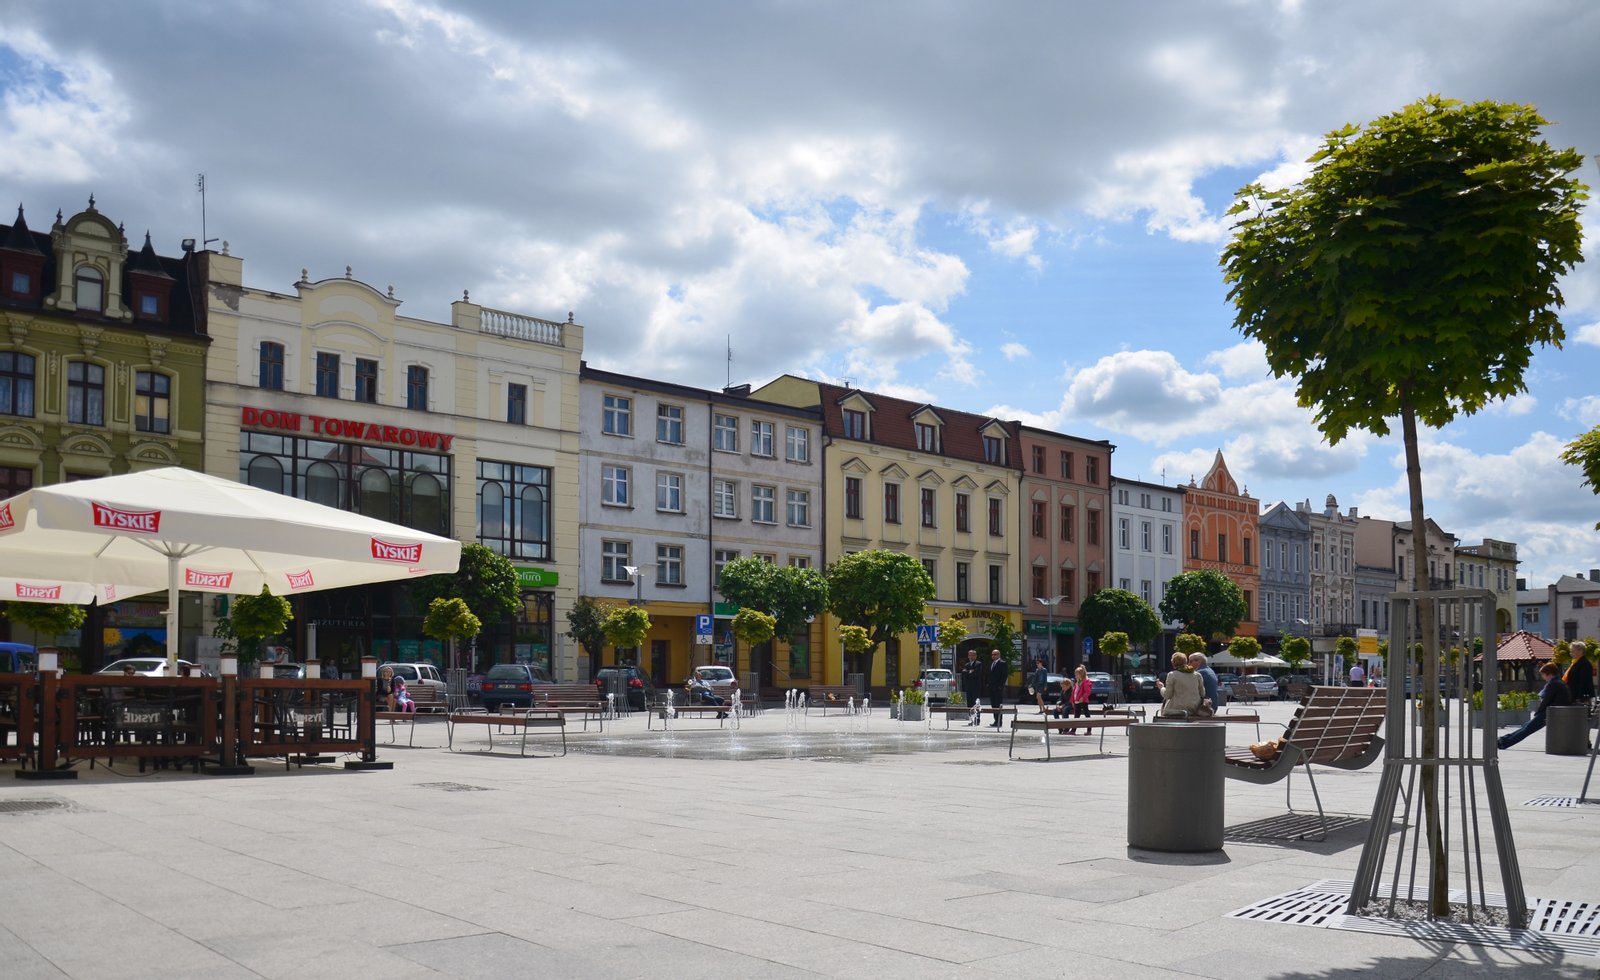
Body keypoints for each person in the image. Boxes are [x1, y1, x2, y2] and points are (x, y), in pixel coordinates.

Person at [1499, 662, 1573, 750]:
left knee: (1527, 729)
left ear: (1549, 674)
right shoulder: (1559, 682)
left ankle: (1505, 742)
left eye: (1543, 674)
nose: (1543, 677)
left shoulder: (1553, 684)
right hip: (1555, 711)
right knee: (1526, 726)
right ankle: (1504, 739)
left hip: (1550, 712)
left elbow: (1546, 701)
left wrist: (1538, 713)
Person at [1156, 651, 1203, 718]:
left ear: (1173, 663)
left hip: (1177, 710)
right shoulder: (1197, 675)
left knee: (1163, 708)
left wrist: (1161, 688)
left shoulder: (1172, 675)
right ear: (1186, 662)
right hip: (1194, 710)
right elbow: (1202, 694)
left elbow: (1167, 695)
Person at [1058, 665, 1092, 733]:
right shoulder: (1077, 682)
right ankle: (1073, 730)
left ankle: (1089, 730)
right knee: (1076, 716)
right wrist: (1072, 701)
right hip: (1077, 702)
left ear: (1081, 674)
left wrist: (1083, 697)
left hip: (1083, 701)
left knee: (1087, 715)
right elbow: (1074, 692)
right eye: (1075, 674)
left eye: (1077, 674)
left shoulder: (1085, 682)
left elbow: (1087, 691)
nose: (1076, 675)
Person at [984, 647, 1010, 729]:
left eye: (995, 654)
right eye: (992, 655)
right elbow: (989, 675)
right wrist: (988, 684)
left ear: (999, 655)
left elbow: (1004, 676)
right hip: (991, 687)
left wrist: (1000, 686)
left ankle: (999, 721)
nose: (993, 656)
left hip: (998, 688)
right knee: (993, 705)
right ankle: (995, 720)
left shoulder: (1003, 663)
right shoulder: (992, 663)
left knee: (998, 704)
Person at [1564, 641, 1594, 705]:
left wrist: (1579, 697)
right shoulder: (1576, 662)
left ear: (1580, 651)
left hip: (1580, 698)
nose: (1570, 653)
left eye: (1572, 651)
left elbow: (1584, 682)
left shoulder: (1584, 663)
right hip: (1574, 696)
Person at [959, 650, 984, 726]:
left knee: (976, 704)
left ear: (975, 656)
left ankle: (977, 720)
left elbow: (976, 674)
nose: (971, 657)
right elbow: (964, 674)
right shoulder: (967, 665)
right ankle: (972, 720)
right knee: (969, 704)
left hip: (976, 687)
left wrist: (968, 672)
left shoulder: (978, 664)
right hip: (968, 687)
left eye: (972, 655)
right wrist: (969, 672)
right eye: (969, 655)